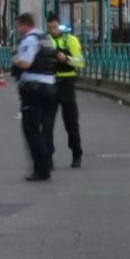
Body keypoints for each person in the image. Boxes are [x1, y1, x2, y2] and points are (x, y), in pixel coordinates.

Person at [10, 11, 59, 181]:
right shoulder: (45, 38)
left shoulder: (29, 40)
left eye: (18, 27)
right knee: (45, 128)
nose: (17, 30)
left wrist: (15, 59)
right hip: (50, 86)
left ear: (25, 25)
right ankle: (46, 163)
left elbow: (26, 62)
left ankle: (41, 169)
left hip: (33, 89)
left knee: (31, 129)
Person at [48, 14, 85, 167]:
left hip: (67, 84)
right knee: (47, 123)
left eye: (54, 27)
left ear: (59, 26)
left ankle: (77, 154)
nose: (52, 30)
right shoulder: (45, 41)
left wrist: (67, 59)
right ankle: (48, 158)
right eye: (49, 28)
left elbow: (81, 62)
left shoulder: (71, 40)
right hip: (50, 85)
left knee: (71, 123)